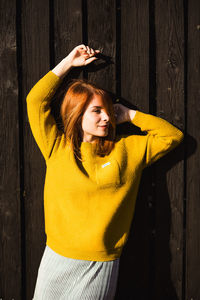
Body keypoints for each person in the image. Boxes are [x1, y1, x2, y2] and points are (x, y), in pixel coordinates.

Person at [26, 44, 184, 299]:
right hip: (55, 258)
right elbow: (35, 101)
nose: (106, 118)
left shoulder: (128, 150)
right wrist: (68, 63)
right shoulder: (56, 146)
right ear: (77, 114)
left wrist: (131, 115)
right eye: (97, 111)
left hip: (98, 265)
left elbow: (172, 137)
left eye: (108, 110)